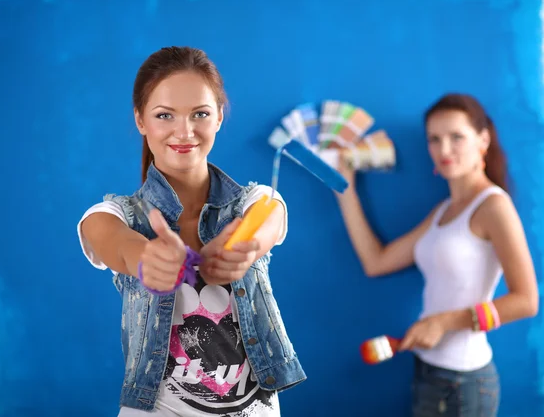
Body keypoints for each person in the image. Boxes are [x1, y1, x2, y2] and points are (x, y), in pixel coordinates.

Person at [77, 46, 306, 416]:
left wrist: (244, 247)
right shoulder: (116, 214)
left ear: (218, 118)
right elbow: (109, 238)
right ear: (140, 120)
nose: (184, 132)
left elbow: (270, 216)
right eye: (164, 115)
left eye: (200, 114)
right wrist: (144, 258)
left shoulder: (253, 201)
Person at [336, 93, 538, 416]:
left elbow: (527, 301)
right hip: (427, 369)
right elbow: (376, 261)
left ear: (483, 140)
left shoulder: (494, 206)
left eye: (456, 137)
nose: (444, 150)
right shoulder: (443, 211)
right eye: (434, 139)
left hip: (466, 381)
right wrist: (344, 189)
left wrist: (444, 322)